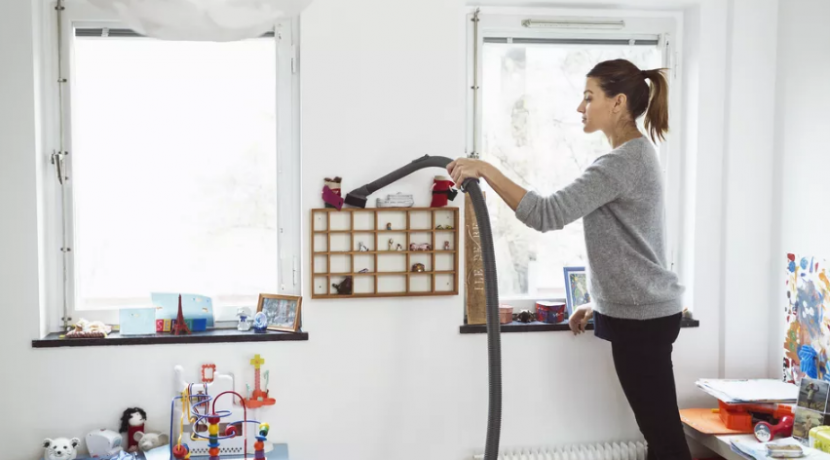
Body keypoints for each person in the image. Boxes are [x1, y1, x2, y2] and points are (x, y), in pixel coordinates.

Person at [448, 59, 690, 460]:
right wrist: (600, 304)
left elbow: (546, 214)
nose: (581, 107)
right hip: (638, 313)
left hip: (643, 320)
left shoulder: (622, 162)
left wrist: (486, 169)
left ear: (618, 103)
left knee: (663, 437)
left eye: (589, 96)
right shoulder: (635, 157)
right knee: (657, 433)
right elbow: (636, 242)